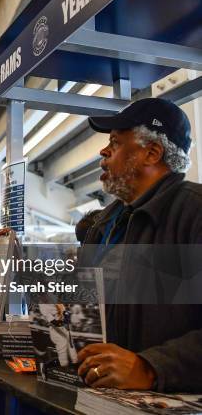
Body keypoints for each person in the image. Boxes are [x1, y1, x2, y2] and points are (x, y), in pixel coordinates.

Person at [75, 98, 202, 392]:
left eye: (116, 143)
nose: (103, 151)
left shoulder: (193, 215)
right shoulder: (106, 222)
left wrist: (151, 367)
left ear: (152, 153)